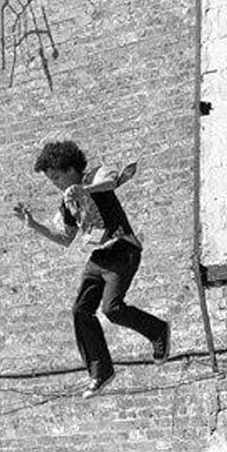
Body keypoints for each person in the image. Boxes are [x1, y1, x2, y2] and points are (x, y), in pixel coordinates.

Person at [13, 140, 170, 398]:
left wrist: (83, 189)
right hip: (99, 258)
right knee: (81, 310)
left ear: (70, 168)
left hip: (123, 250)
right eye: (51, 179)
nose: (55, 183)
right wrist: (34, 225)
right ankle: (101, 371)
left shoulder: (96, 173)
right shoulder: (68, 201)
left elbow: (112, 181)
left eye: (56, 177)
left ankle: (157, 330)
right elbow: (64, 238)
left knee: (112, 308)